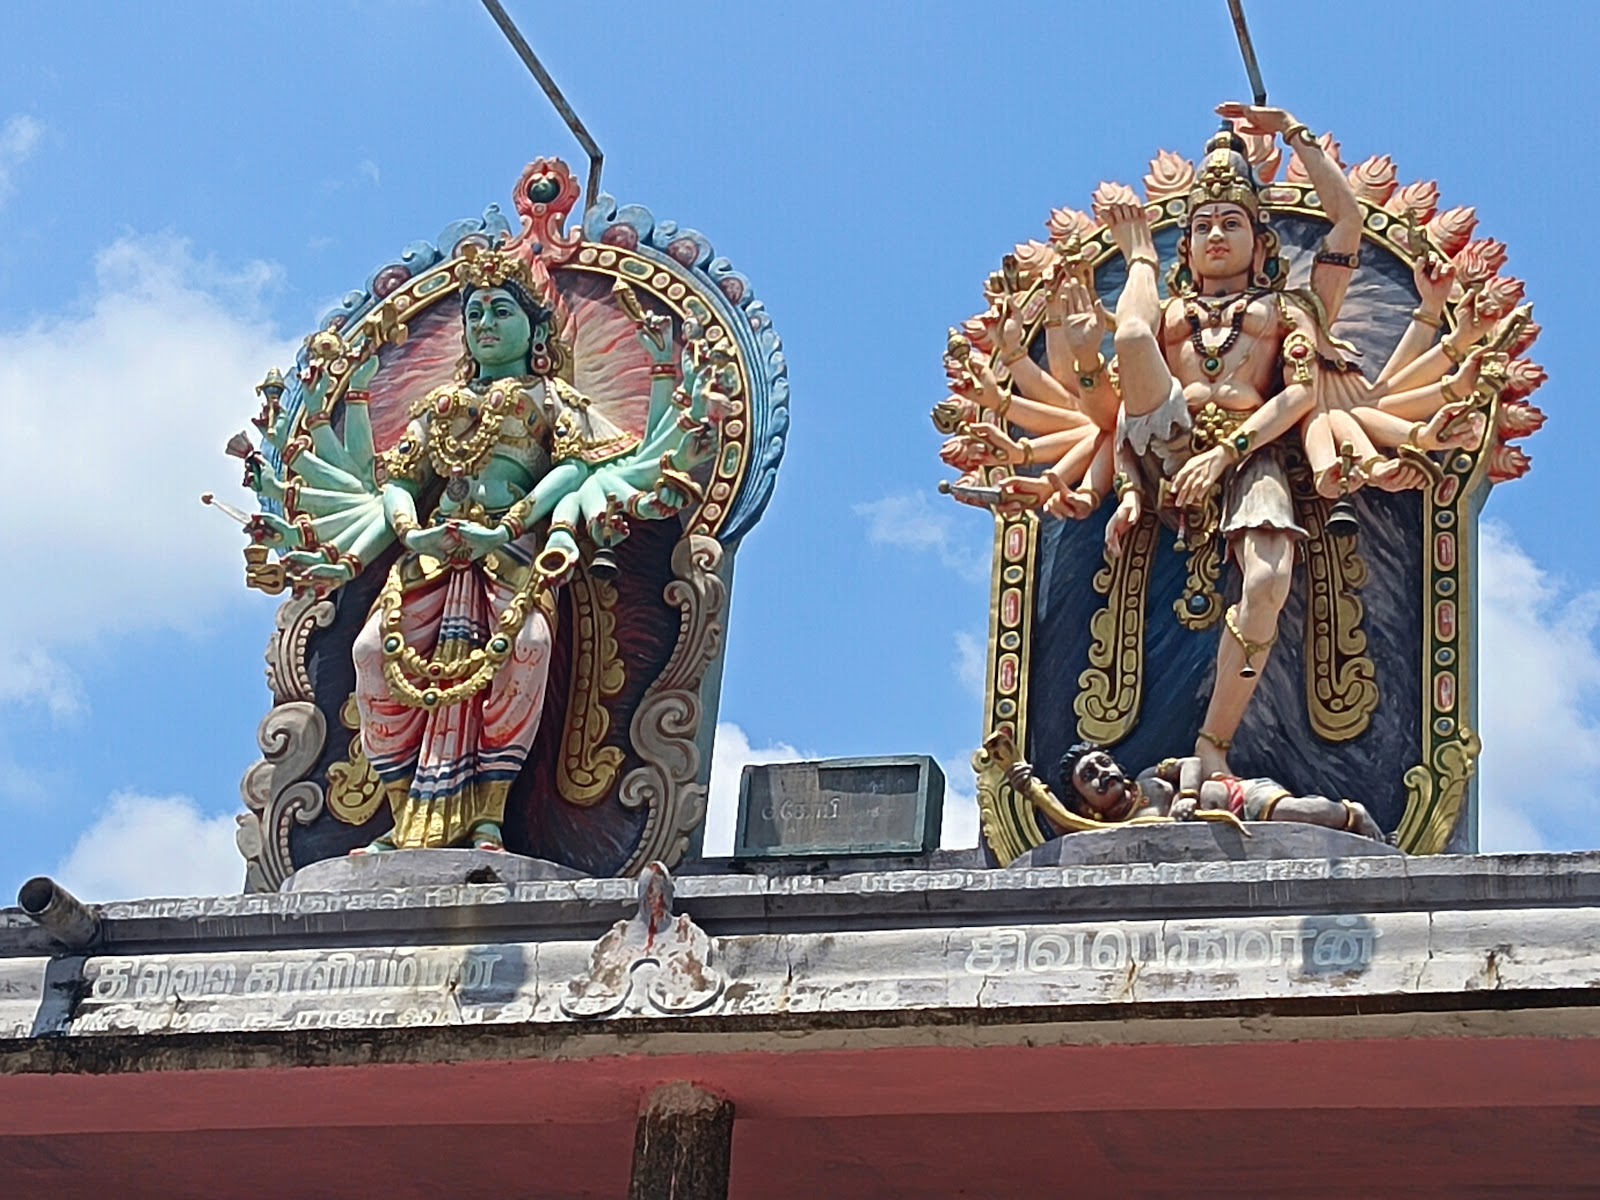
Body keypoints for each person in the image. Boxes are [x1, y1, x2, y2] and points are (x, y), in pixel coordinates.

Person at [244, 243, 725, 852]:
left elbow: (575, 469)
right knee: (373, 655)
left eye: (501, 311)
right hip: (432, 558)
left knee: (524, 649)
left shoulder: (551, 399)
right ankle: (402, 815)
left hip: (513, 557)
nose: (486, 325)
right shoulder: (440, 407)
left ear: (535, 328)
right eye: (475, 315)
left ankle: (490, 813)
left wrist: (512, 523)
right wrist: (408, 527)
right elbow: (400, 479)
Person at [1096, 104, 1489, 779]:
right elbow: (1129, 416)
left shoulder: (1287, 310)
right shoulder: (1167, 317)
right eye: (1202, 227)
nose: (1216, 236)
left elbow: (1345, 231)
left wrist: (1294, 136)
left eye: (1232, 223)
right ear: (1183, 247)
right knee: (1131, 337)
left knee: (1271, 580)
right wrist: (1131, 492)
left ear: (1261, 239)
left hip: (1254, 452)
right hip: (1171, 447)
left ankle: (1213, 741)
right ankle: (1136, 256)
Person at [1001, 737, 1384, 841]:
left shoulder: (1151, 778)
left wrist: (1185, 796)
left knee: (1298, 815)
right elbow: (1069, 831)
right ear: (1088, 806)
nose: (1102, 774)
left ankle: (1352, 813)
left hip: (1238, 802)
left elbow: (1192, 764)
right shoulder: (1114, 828)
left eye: (1103, 763)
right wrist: (1029, 789)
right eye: (1090, 778)